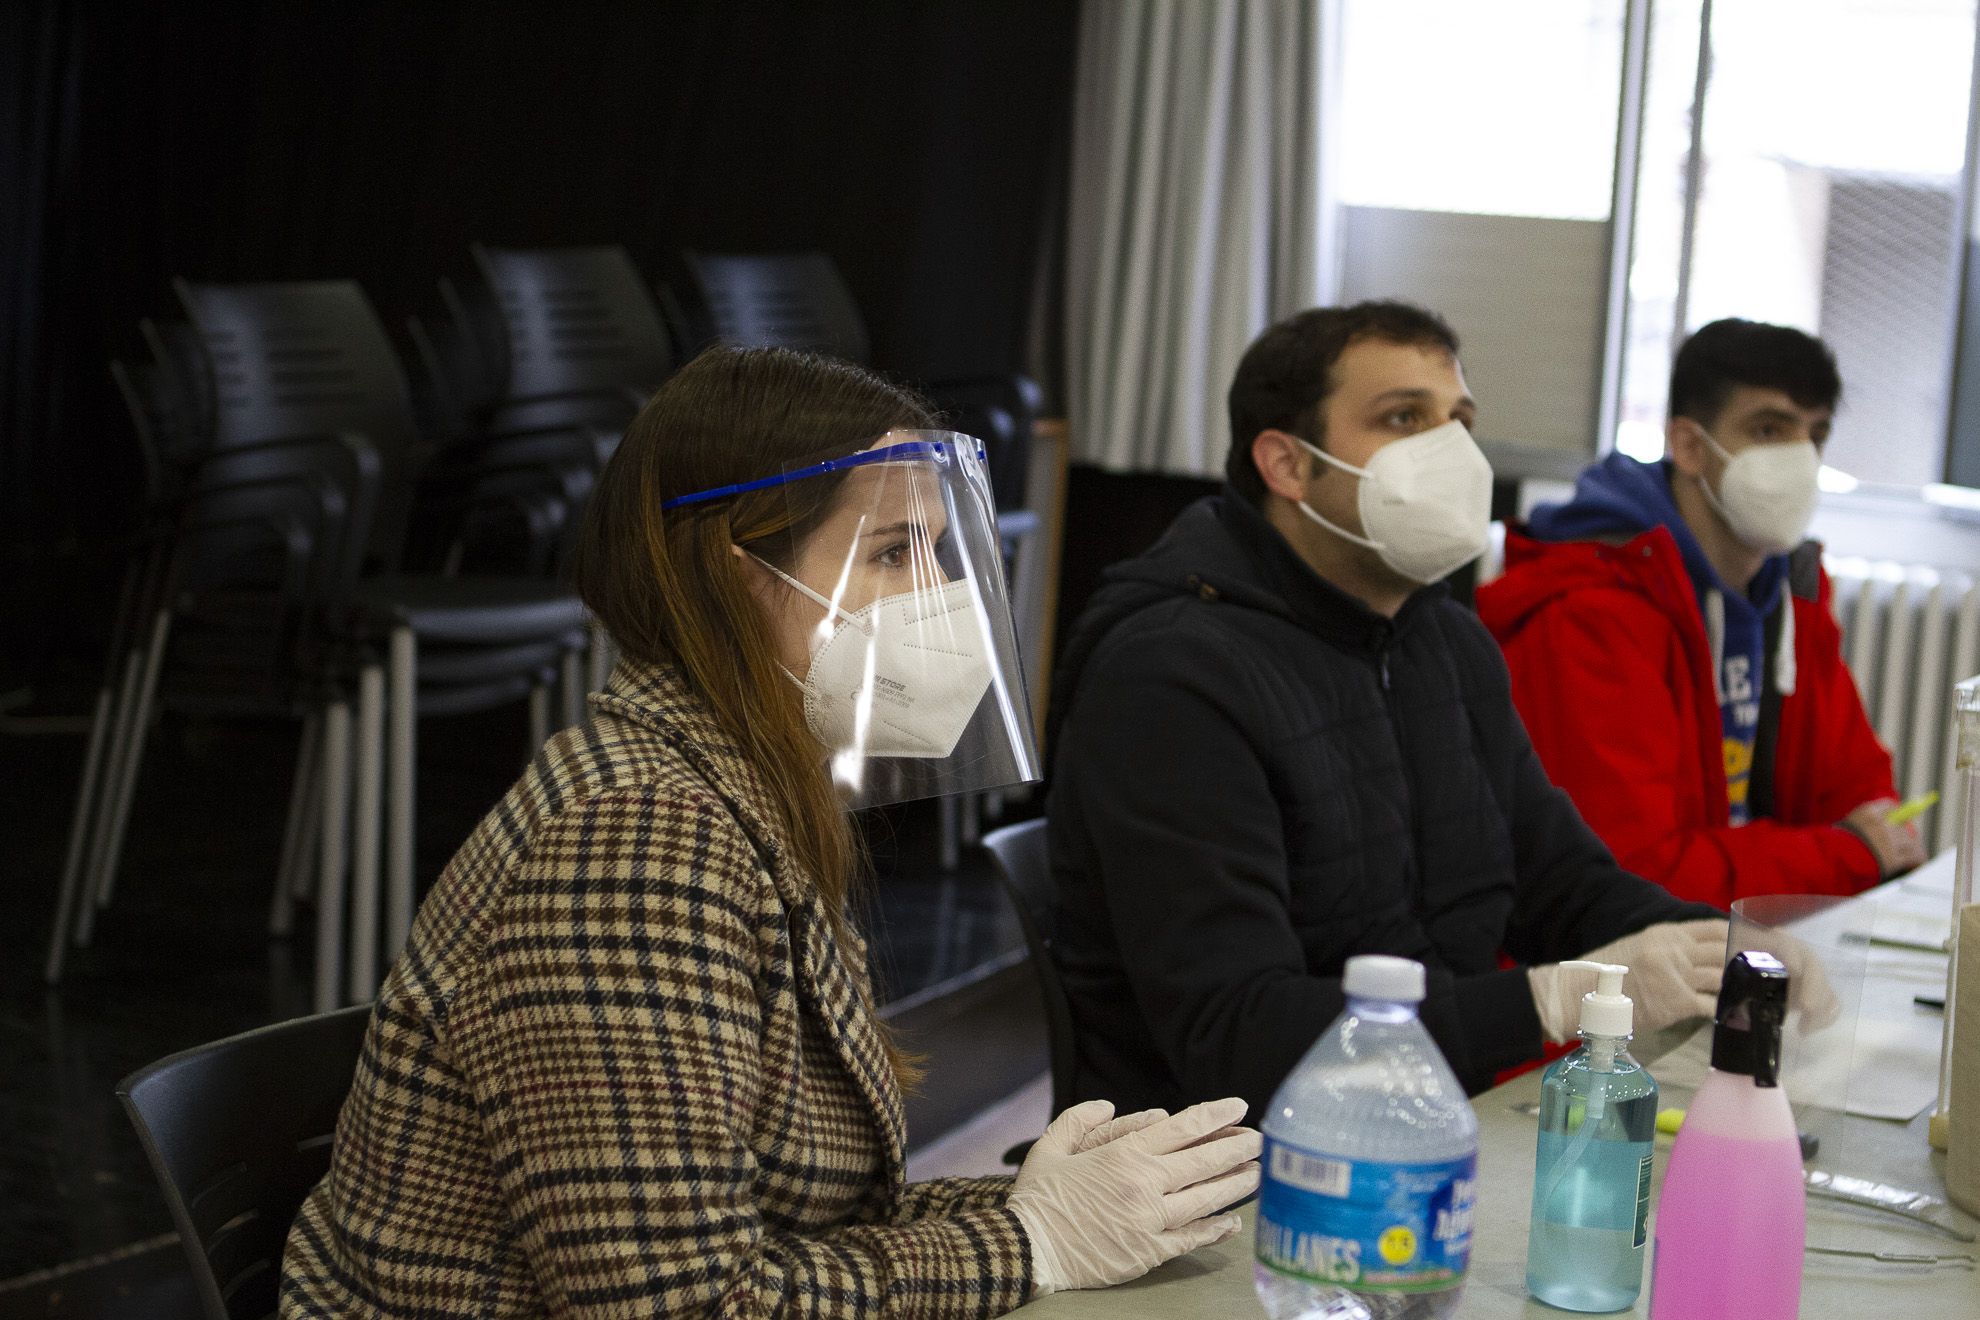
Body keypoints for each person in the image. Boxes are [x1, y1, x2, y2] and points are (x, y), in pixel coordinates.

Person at [280, 347, 1260, 1318]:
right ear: (732, 572)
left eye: (936, 551)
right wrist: (1031, 1239)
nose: (940, 598)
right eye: (890, 553)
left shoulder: (735, 791)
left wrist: (1040, 1204)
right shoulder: (636, 841)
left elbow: (787, 1228)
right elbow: (681, 1303)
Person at [1046, 302, 1728, 1119]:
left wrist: (1725, 953)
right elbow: (1236, 1039)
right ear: (1288, 466)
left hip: (1429, 1119)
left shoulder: (1442, 639)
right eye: (1404, 418)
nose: (1451, 450)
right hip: (1231, 1177)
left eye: (1458, 420)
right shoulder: (1170, 674)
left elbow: (1561, 885)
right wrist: (1546, 1002)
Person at [1478, 319, 1923, 909]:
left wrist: (1856, 843)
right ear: (1689, 446)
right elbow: (1632, 872)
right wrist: (1845, 856)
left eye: (1814, 435)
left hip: (1741, 934)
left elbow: (1861, 798)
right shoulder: (1594, 608)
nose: (1799, 458)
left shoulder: (1792, 596)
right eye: (1769, 429)